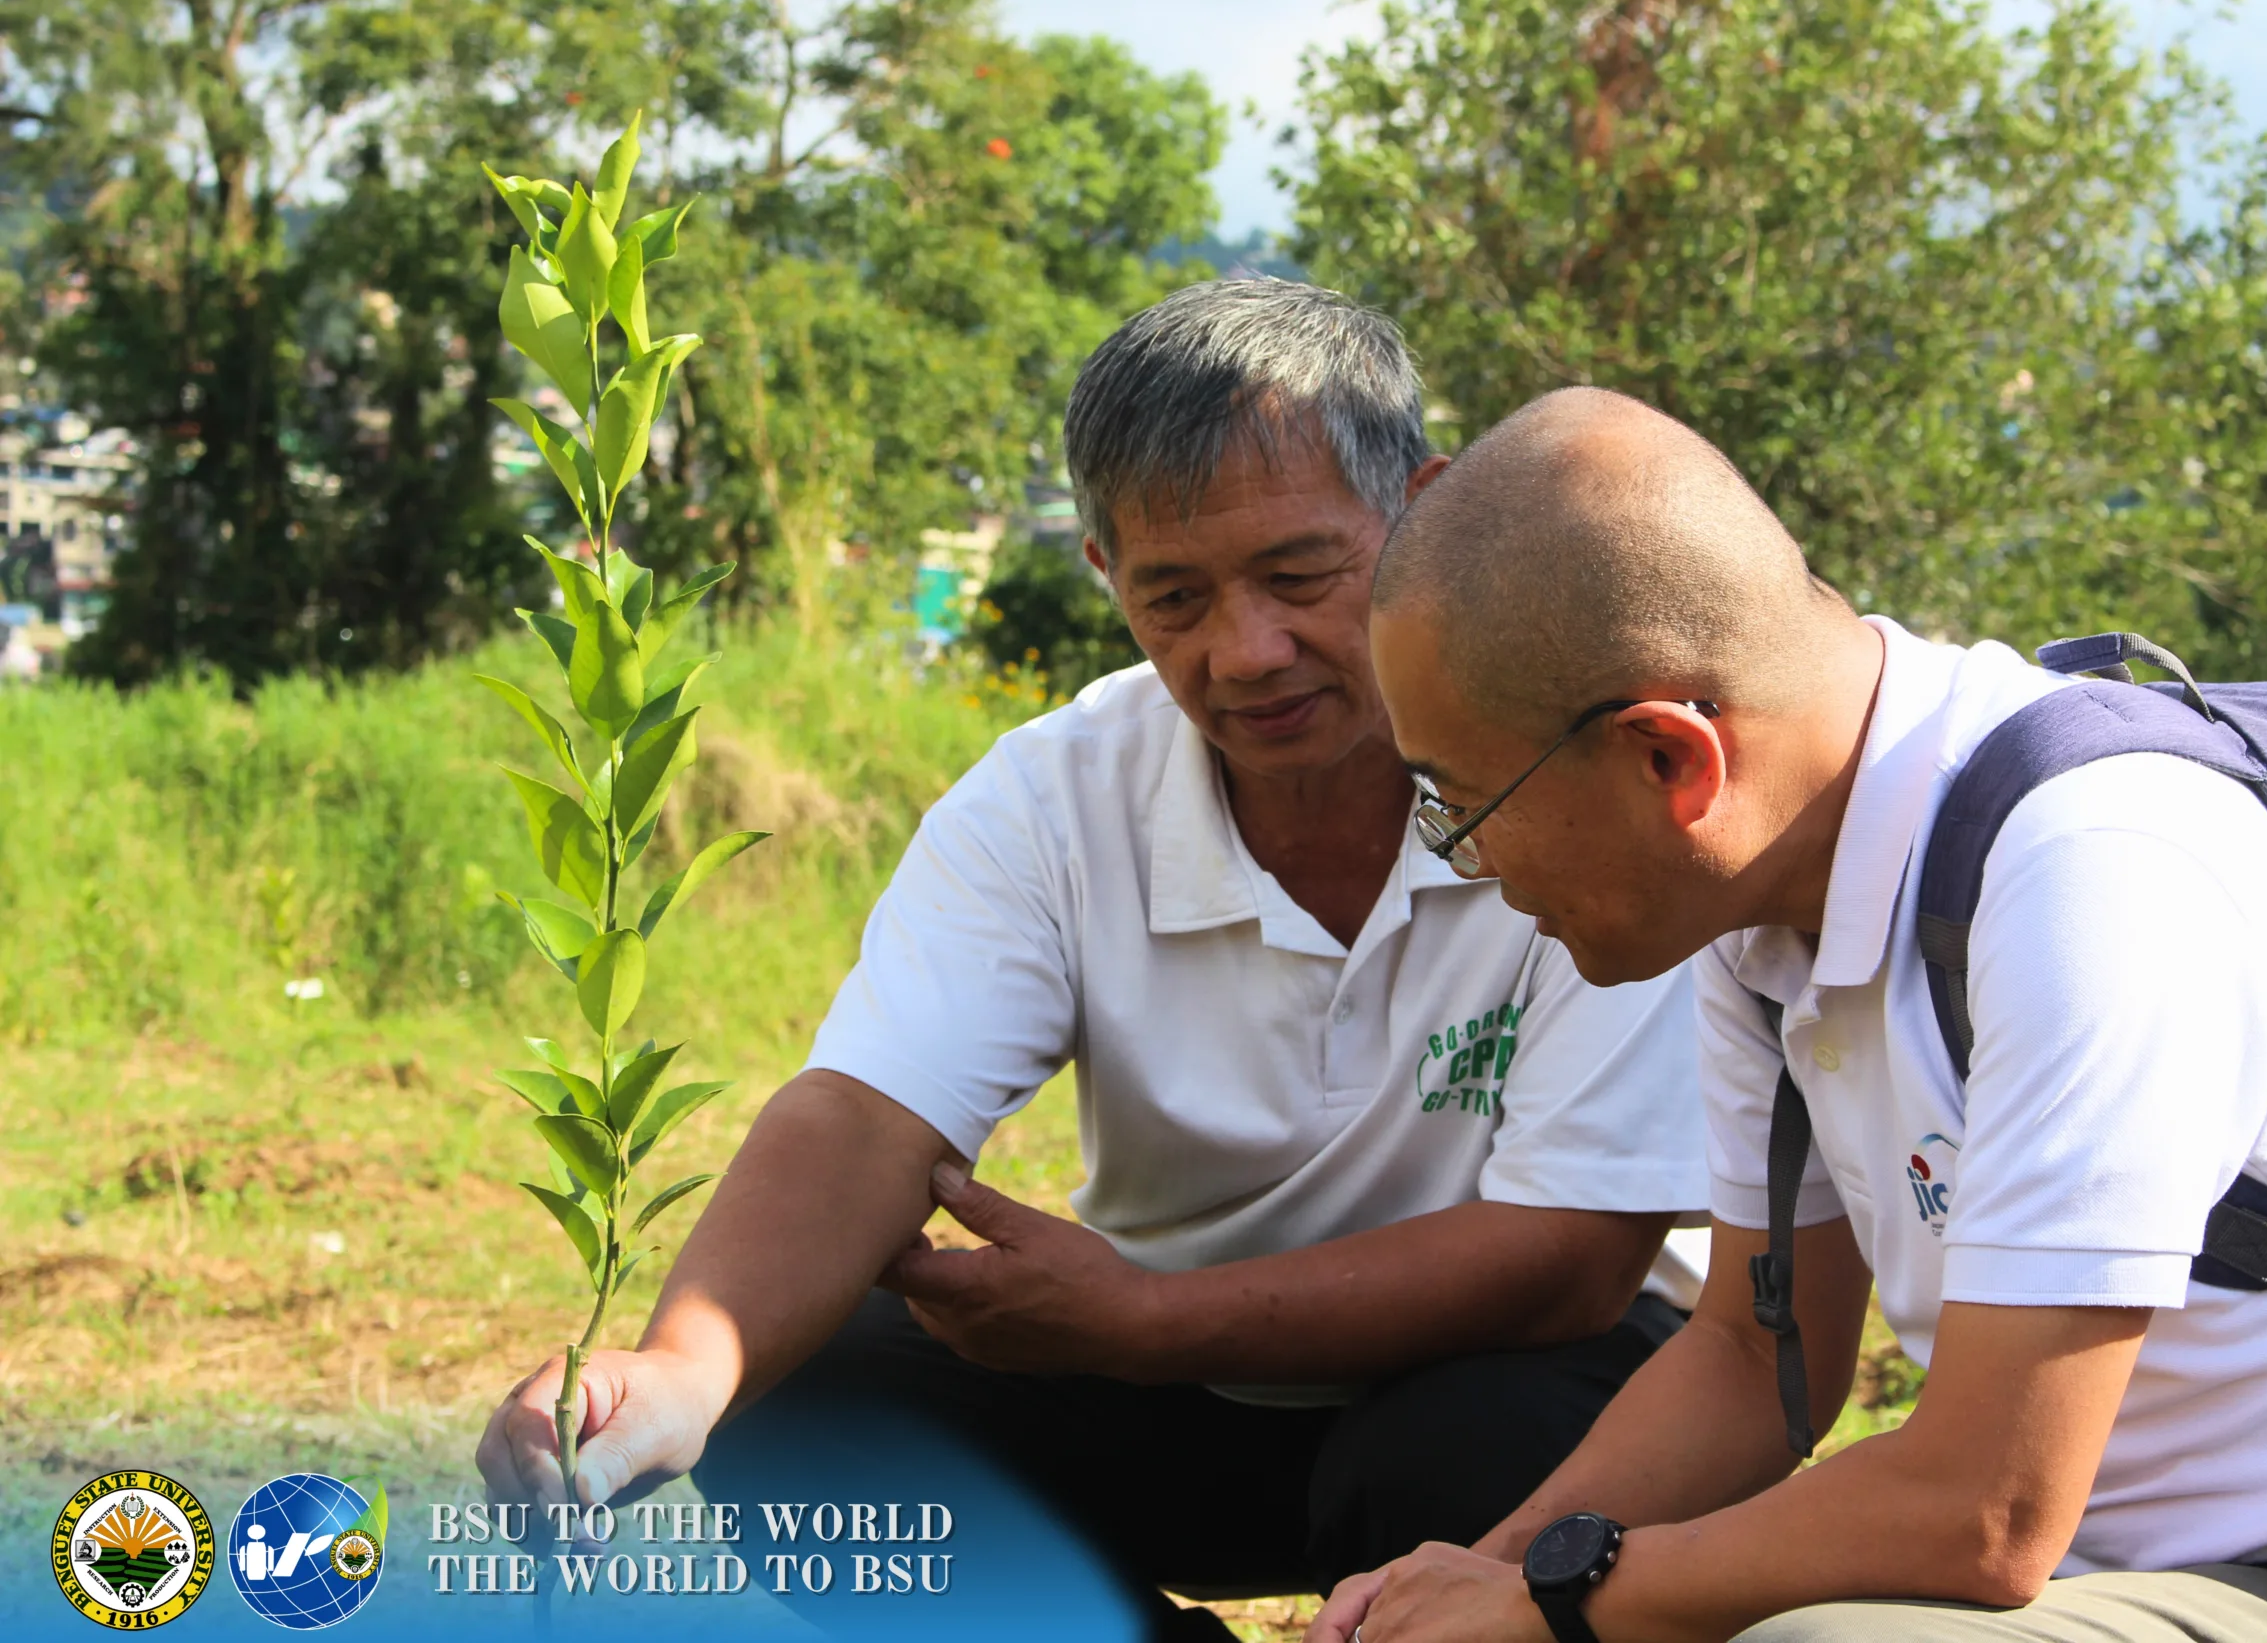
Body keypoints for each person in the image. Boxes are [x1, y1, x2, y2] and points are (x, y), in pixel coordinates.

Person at [474, 287, 1715, 1637]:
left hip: (1505, 1384)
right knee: (808, 1399)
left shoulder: (1575, 766)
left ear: (1427, 510)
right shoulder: (1056, 797)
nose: (1243, 650)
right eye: (1173, 594)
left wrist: (1146, 1317)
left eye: (1300, 575)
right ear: (1102, 570)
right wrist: (682, 1370)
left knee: (1475, 1452)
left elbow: (1576, 1257)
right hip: (1169, 1399)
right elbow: (865, 1115)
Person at [1318, 386, 2267, 1643]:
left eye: (1463, 808)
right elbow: (1755, 1362)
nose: (1463, 860)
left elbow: (1986, 1512)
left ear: (1669, 760)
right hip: (2130, 1574)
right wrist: (1474, 1585)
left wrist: (1550, 1609)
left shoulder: (2090, 863)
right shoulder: (1756, 914)